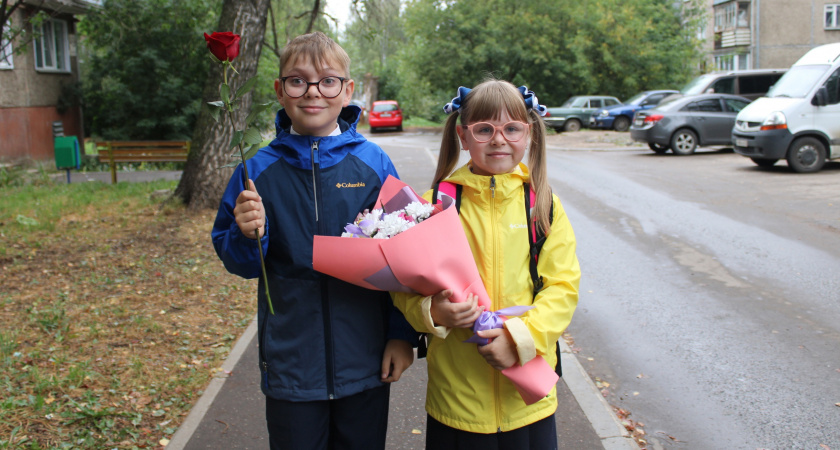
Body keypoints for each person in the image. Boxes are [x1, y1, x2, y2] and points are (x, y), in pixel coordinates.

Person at [211, 31, 417, 449]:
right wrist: (250, 234)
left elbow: (404, 259)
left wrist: (401, 335)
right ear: (280, 91)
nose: (312, 93)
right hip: (292, 365)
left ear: (347, 90)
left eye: (327, 81)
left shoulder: (373, 163)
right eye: (297, 80)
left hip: (366, 358)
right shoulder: (256, 170)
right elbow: (240, 262)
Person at [392, 79, 581, 449]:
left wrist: (519, 339)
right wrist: (433, 312)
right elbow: (403, 288)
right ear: (463, 136)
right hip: (456, 400)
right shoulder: (433, 206)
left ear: (529, 134)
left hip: (526, 396)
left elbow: (563, 288)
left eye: (512, 128)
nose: (499, 140)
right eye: (484, 129)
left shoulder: (543, 206)